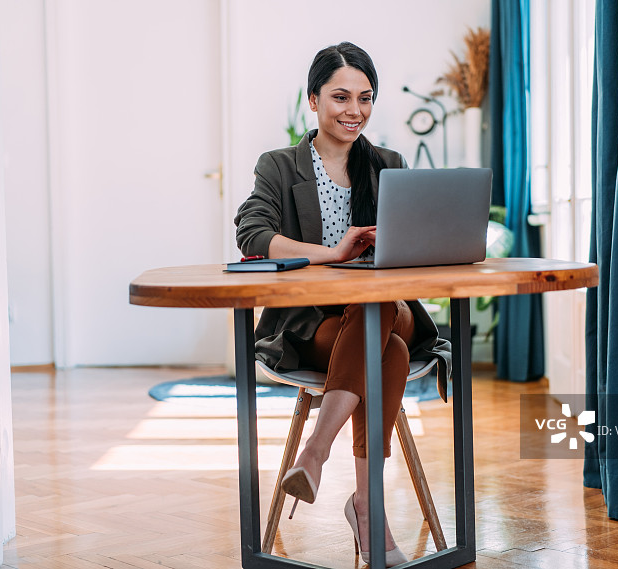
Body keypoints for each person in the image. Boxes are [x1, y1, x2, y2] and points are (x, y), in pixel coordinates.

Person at [234, 41, 450, 566]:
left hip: (380, 307)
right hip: (312, 328)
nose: (354, 110)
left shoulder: (388, 165)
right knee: (391, 350)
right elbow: (253, 233)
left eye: (365, 97)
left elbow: (416, 251)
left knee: (377, 308)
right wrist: (332, 254)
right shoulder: (280, 167)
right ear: (313, 100)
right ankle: (367, 509)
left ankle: (317, 451)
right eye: (340, 97)